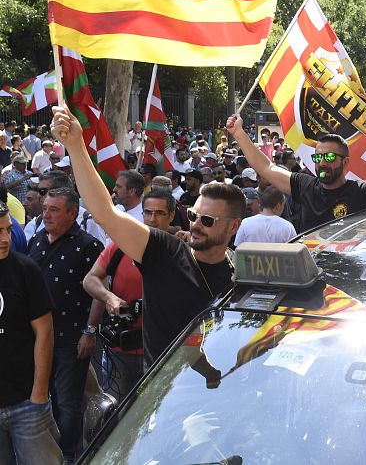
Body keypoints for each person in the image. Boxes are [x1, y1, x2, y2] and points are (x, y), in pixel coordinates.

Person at [52, 104, 244, 370]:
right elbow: (104, 214)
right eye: (192, 215)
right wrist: (75, 146)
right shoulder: (165, 251)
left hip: (216, 390)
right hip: (161, 399)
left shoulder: (240, 272)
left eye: (208, 220)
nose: (196, 225)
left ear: (233, 227)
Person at [226, 114, 366, 232]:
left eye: (328, 158)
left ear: (345, 163)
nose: (322, 163)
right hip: (311, 276)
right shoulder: (305, 185)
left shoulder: (362, 190)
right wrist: (239, 134)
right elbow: (266, 168)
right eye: (318, 158)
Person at [28, 187, 104, 462]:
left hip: (71, 338)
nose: (46, 214)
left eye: (54, 210)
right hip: (35, 338)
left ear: (72, 214)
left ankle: (69, 456)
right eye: (45, 208)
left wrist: (89, 332)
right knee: (38, 397)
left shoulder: (88, 246)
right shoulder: (36, 240)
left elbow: (99, 291)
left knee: (67, 401)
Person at [82, 189, 176, 401]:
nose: (153, 219)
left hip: (164, 351)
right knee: (116, 413)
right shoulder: (120, 246)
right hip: (121, 351)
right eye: (148, 212)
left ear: (171, 216)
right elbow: (90, 279)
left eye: (160, 213)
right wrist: (109, 297)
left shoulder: (182, 252)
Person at [0, 199, 62, 464]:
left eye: (7, 230)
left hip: (26, 402)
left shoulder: (25, 270)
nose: (5, 238)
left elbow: (45, 334)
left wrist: (38, 394)